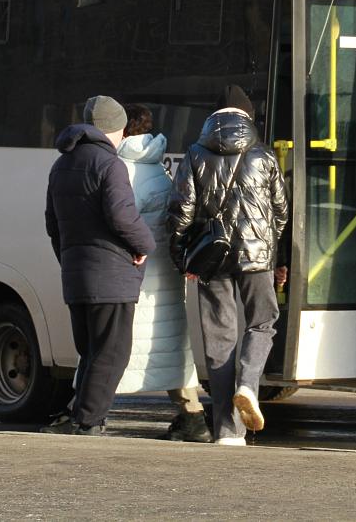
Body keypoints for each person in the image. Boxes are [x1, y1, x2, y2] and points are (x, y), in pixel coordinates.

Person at [168, 85, 288, 446]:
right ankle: (249, 385)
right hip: (257, 258)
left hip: (212, 257)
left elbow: (180, 212)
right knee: (262, 323)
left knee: (220, 339)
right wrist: (273, 255)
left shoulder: (194, 154)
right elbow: (280, 213)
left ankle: (227, 430)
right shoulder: (264, 156)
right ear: (248, 116)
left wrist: (183, 258)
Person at [42, 95, 155, 436]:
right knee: (112, 353)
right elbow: (123, 216)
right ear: (116, 128)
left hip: (76, 274)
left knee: (90, 351)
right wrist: (144, 245)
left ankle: (83, 415)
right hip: (111, 274)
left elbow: (52, 223)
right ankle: (88, 421)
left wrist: (69, 257)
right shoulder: (109, 164)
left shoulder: (62, 164)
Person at [115, 104, 211, 443]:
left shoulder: (118, 170)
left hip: (133, 270)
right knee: (168, 344)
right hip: (165, 274)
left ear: (122, 131)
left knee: (109, 344)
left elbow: (120, 221)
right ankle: (193, 414)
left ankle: (83, 409)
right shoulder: (159, 166)